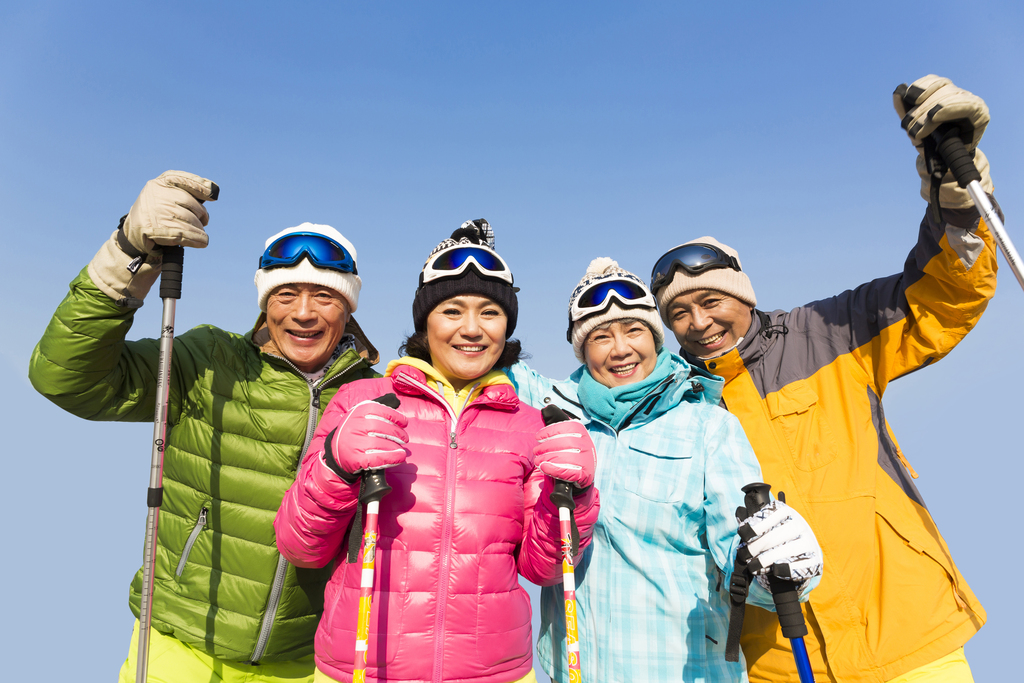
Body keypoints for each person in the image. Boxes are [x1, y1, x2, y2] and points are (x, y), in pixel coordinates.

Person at [649, 75, 997, 683]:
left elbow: (942, 296)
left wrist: (955, 192)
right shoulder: (677, 401)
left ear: (741, 295)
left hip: (908, 632)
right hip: (781, 658)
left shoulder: (830, 330)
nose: (699, 322)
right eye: (679, 314)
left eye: (710, 301)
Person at [28, 171, 382, 682]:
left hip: (308, 660)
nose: (303, 313)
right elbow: (65, 377)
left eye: (324, 296)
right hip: (183, 645)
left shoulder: (374, 397)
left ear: (348, 309)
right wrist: (128, 252)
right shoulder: (207, 359)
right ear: (265, 303)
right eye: (286, 295)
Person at [274, 221, 600, 683]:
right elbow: (300, 546)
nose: (471, 329)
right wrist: (335, 466)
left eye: (490, 312)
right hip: (365, 668)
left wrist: (575, 496)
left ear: (507, 325)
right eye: (452, 310)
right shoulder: (363, 402)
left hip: (496, 673)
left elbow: (546, 568)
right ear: (424, 322)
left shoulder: (531, 425)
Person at [507, 257, 824, 682]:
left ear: (655, 338)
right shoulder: (554, 413)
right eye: (600, 336)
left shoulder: (708, 426)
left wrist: (773, 567)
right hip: (579, 672)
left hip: (687, 669)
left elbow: (737, 552)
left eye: (634, 330)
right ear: (582, 349)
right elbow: (479, 361)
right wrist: (475, 283)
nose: (620, 349)